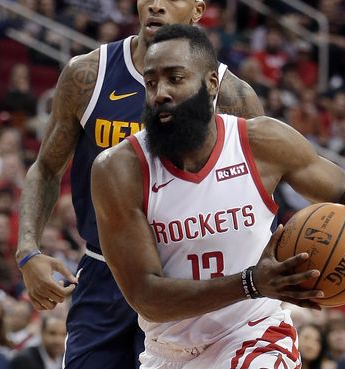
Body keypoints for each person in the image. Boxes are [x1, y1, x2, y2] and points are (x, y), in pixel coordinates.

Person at [90, 24, 345, 369]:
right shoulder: (118, 170)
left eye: (175, 78)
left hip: (255, 332)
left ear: (211, 84)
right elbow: (146, 298)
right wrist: (251, 282)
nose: (160, 93)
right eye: (152, 82)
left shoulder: (262, 142)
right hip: (167, 351)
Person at [16, 1, 265, 367]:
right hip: (104, 273)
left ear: (198, 9)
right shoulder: (88, 74)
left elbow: (261, 193)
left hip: (187, 279)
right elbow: (45, 169)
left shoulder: (230, 95)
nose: (156, 4)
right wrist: (28, 250)